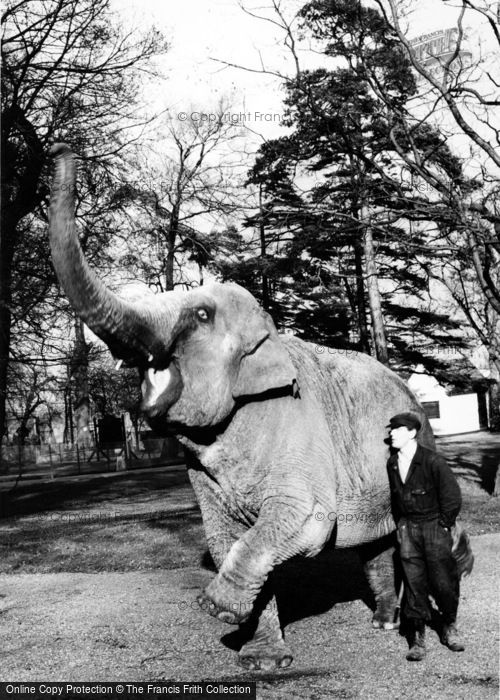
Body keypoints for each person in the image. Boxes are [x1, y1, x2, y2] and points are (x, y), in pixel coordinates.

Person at [387, 412, 464, 661]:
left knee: (443, 582)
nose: (391, 434)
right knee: (413, 583)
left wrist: (443, 525)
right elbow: (396, 498)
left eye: (397, 430)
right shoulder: (393, 463)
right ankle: (418, 639)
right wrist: (401, 526)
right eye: (391, 430)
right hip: (408, 528)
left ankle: (449, 627)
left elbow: (452, 496)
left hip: (433, 526)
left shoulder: (432, 461)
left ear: (411, 433)